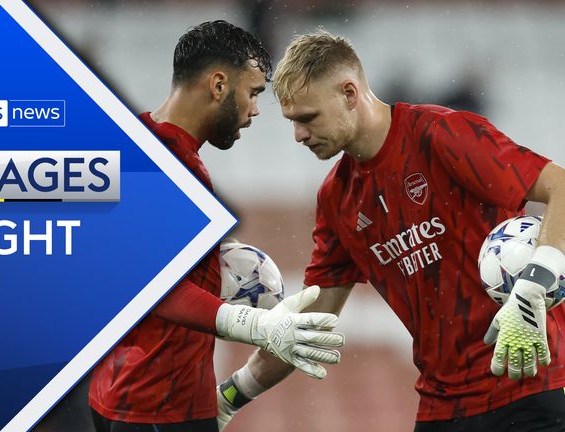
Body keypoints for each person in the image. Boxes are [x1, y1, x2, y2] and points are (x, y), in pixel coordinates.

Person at [216, 28, 565, 431]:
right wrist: (231, 394)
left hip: (530, 383)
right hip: (443, 407)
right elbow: (311, 318)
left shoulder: (439, 135)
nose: (299, 135)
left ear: (349, 94)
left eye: (308, 118)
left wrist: (533, 285)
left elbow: (560, 186)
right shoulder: (338, 197)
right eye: (293, 122)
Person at [88, 20, 345, 432]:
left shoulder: (133, 146)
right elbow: (156, 285)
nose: (256, 109)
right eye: (253, 92)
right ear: (219, 84)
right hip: (159, 408)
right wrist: (254, 323)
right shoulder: (172, 166)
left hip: (121, 395)